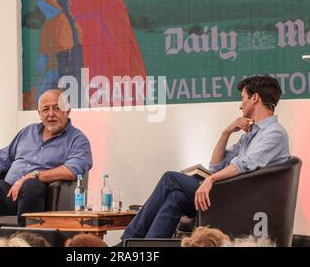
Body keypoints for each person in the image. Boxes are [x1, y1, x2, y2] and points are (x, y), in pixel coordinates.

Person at [117, 75, 290, 244]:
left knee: (170, 179)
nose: (240, 105)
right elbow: (216, 165)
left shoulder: (274, 133)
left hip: (243, 197)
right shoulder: (250, 135)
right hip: (231, 191)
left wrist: (210, 180)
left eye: (243, 98)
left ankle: (128, 240)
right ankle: (147, 248)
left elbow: (243, 165)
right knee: (176, 197)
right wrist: (226, 132)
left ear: (254, 98)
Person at [0, 90, 93, 243]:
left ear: (68, 111)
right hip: (8, 191)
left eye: (57, 108)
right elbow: (2, 159)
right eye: (46, 109)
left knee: (31, 185)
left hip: (39, 196)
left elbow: (75, 169)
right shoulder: (28, 132)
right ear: (39, 113)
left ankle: (24, 244)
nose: (51, 113)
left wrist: (34, 175)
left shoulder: (77, 139)